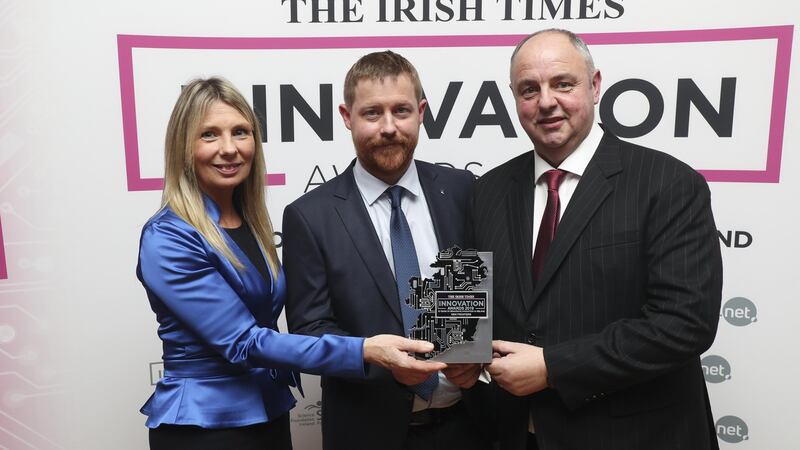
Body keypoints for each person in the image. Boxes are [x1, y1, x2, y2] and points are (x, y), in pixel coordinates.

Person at [137, 77, 445, 450]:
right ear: (183, 147)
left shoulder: (244, 221)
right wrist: (364, 349)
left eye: (240, 132)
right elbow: (242, 341)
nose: (230, 149)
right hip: (204, 426)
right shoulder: (168, 236)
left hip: (267, 413)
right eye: (209, 135)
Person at [467, 29, 723, 450]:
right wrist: (456, 355)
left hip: (635, 436)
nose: (546, 101)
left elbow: (685, 324)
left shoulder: (668, 183)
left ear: (595, 85)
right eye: (529, 89)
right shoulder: (487, 190)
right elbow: (468, 298)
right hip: (516, 434)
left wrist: (553, 367)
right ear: (514, 99)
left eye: (562, 83)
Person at [282, 51, 490, 450]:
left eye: (402, 111)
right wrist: (380, 362)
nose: (390, 127)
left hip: (468, 427)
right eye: (373, 113)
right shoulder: (311, 216)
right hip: (367, 432)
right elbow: (310, 331)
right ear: (347, 116)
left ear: (422, 112)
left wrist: (471, 357)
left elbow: (469, 299)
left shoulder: (461, 189)